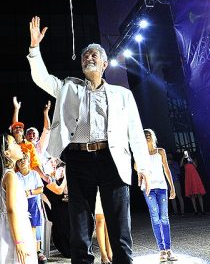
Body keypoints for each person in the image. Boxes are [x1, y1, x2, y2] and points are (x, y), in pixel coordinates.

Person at [27, 16, 151, 264]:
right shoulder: (68, 88)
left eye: (94, 55)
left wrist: (143, 166)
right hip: (78, 159)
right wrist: (34, 48)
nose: (88, 58)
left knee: (119, 226)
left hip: (112, 159)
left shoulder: (122, 95)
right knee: (81, 226)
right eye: (85, 56)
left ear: (105, 63)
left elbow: (135, 131)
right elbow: (41, 78)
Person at [0, 134, 37, 263]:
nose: (19, 145)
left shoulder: (0, 175)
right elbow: (11, 209)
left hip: (3, 228)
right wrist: (18, 241)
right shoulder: (10, 176)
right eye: (14, 143)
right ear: (7, 153)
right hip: (12, 229)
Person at [140, 129, 176, 262]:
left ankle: (168, 249)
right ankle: (161, 250)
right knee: (155, 218)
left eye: (149, 135)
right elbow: (136, 167)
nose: (147, 137)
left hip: (161, 187)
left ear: (153, 137)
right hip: (148, 188)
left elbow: (167, 169)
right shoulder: (141, 153)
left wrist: (172, 187)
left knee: (164, 218)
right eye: (145, 135)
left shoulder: (160, 151)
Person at [16, 152, 45, 262]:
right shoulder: (15, 176)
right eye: (19, 160)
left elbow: (41, 189)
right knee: (22, 228)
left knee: (33, 228)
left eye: (24, 159)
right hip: (21, 203)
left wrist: (30, 192)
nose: (22, 161)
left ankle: (33, 253)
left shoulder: (34, 174)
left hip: (33, 202)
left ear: (28, 161)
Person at [93, 189, 112, 264]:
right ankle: (103, 255)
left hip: (108, 185)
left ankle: (110, 252)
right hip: (96, 187)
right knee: (100, 220)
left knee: (108, 221)